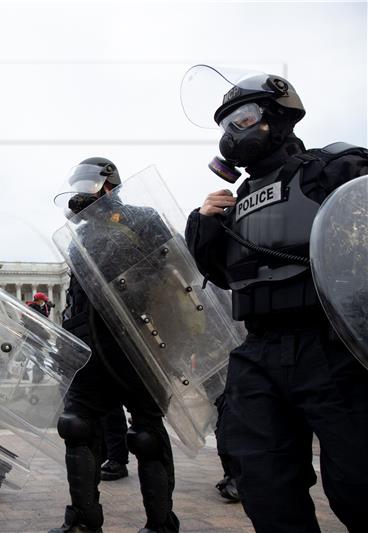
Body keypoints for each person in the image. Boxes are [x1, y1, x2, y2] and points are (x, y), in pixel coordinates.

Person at [184, 69, 368, 532]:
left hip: (331, 343)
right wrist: (204, 224)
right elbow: (222, 276)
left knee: (359, 482)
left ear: (278, 116)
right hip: (259, 349)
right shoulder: (230, 204)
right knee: (260, 478)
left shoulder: (334, 169)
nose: (232, 133)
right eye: (226, 125)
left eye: (242, 118)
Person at [50, 157, 179, 533]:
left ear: (108, 185)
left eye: (86, 185)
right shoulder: (79, 234)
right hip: (89, 343)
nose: (79, 195)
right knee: (75, 426)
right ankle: (83, 521)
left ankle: (160, 523)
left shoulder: (143, 218)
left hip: (134, 340)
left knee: (145, 433)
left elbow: (172, 273)